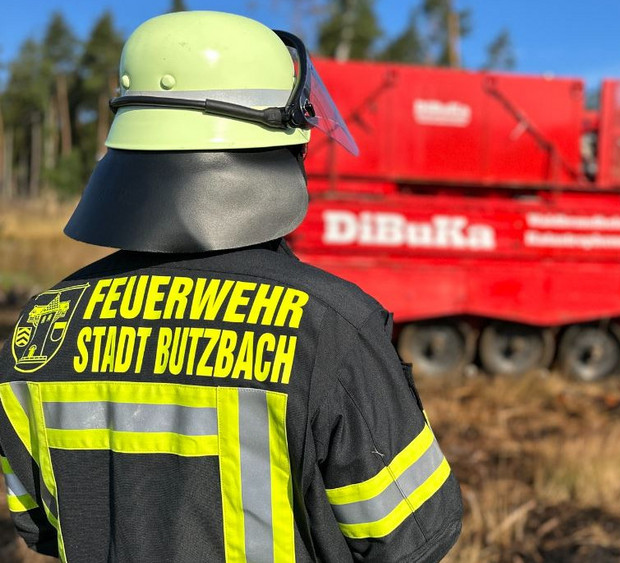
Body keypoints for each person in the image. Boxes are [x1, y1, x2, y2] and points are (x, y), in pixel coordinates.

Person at [0, 12, 461, 562]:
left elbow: (38, 525)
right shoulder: (331, 328)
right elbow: (412, 535)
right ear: (283, 147)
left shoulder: (39, 330)